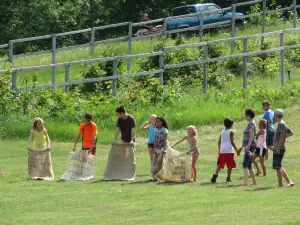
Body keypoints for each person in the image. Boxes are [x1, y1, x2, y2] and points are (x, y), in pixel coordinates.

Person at [211, 118, 239, 183]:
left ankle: (215, 173)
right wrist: (237, 150)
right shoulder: (231, 132)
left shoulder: (222, 131)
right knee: (230, 164)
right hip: (229, 150)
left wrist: (219, 150)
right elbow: (232, 142)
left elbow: (219, 142)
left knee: (220, 163)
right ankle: (228, 178)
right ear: (231, 125)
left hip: (222, 150)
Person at [271, 109, 294, 187]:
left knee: (277, 167)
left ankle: (280, 184)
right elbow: (291, 133)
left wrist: (277, 148)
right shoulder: (283, 123)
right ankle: (289, 181)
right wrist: (284, 137)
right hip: (280, 147)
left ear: (276, 116)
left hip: (279, 148)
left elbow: (281, 137)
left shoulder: (281, 124)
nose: (274, 117)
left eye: (274, 116)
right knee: (279, 166)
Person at [238, 108, 257, 186]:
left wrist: (247, 147)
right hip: (249, 146)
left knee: (245, 164)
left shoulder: (251, 124)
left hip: (250, 147)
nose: (245, 117)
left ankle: (245, 182)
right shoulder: (251, 123)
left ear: (249, 116)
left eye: (246, 115)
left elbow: (252, 136)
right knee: (249, 165)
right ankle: (254, 182)